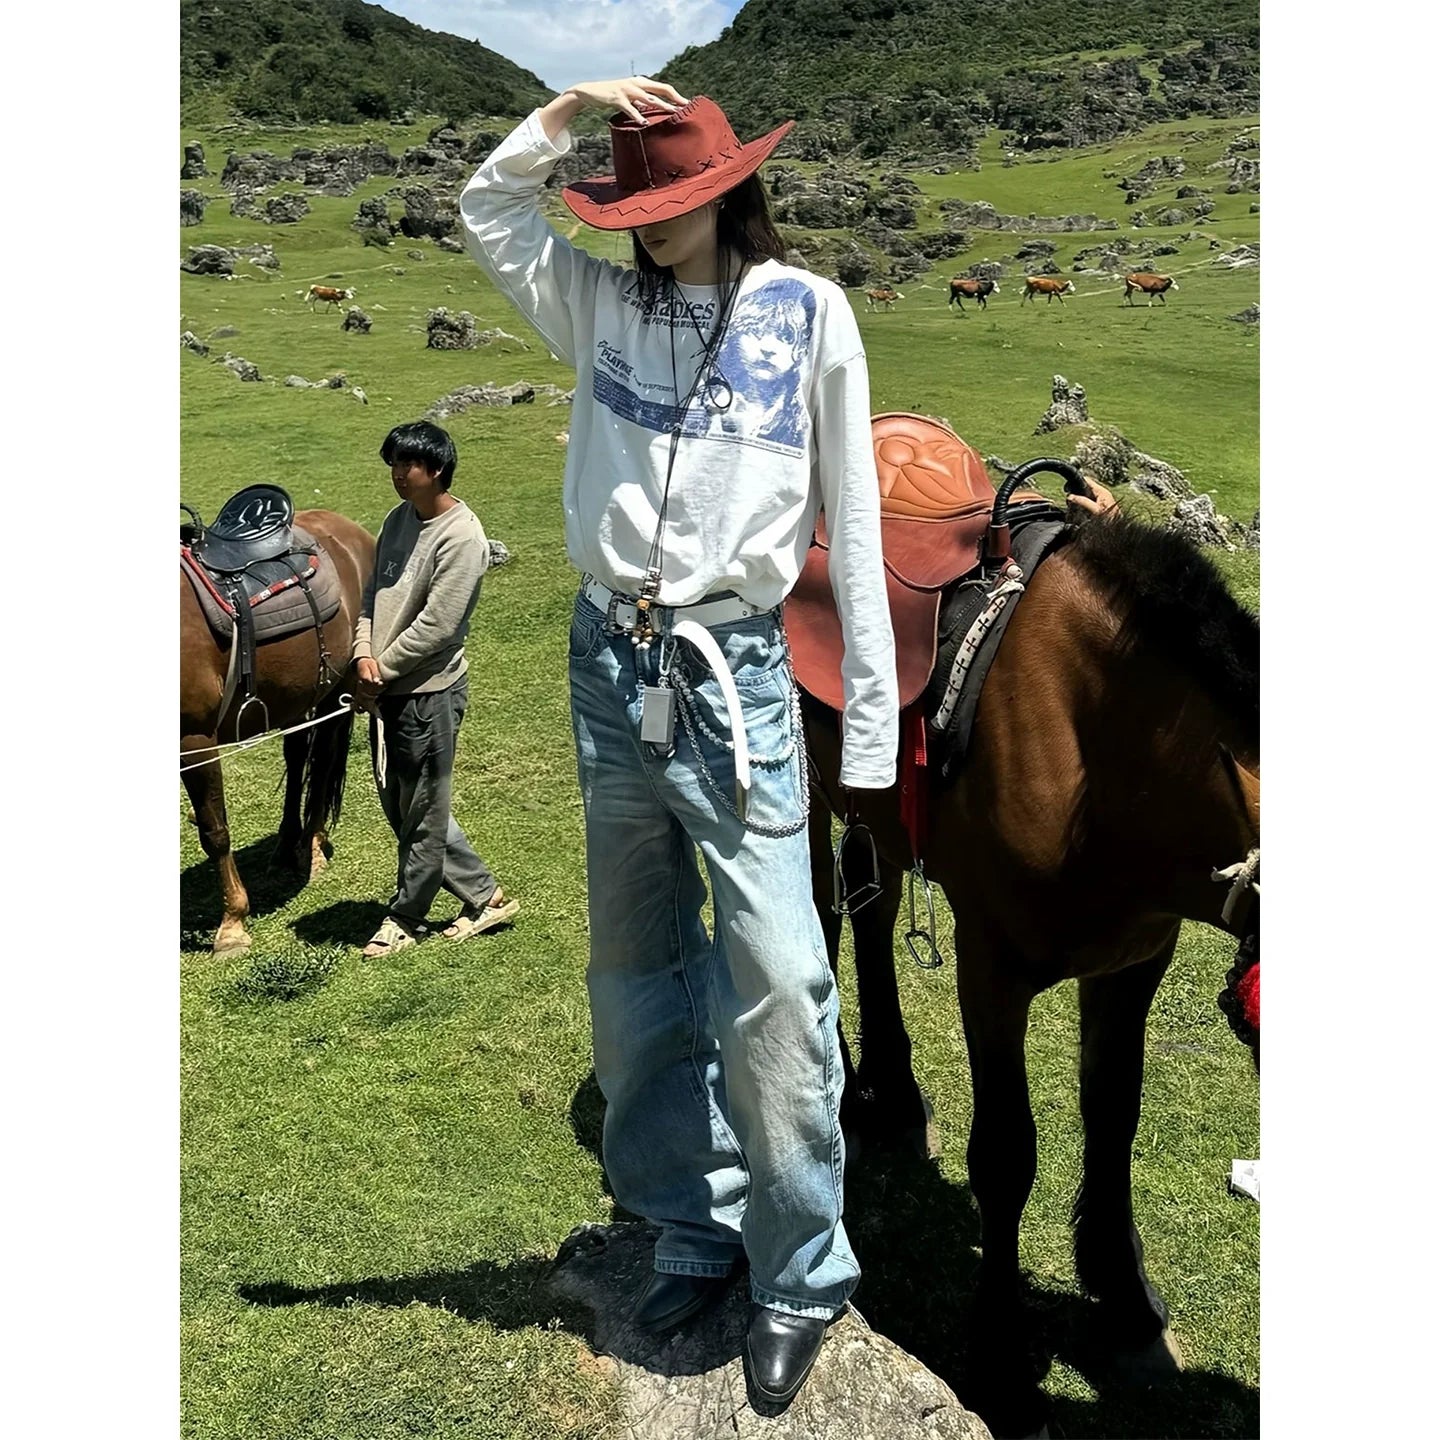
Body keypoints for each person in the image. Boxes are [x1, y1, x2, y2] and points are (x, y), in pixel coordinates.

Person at [459, 79, 899, 1409]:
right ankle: (692, 1224)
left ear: (723, 190)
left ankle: (802, 1268)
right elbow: (488, 205)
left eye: (670, 205)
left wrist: (867, 736)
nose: (648, 229)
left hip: (738, 671)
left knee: (775, 972)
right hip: (609, 660)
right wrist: (565, 108)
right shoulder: (592, 297)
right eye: (630, 207)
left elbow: (858, 523)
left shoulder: (809, 311)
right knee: (634, 966)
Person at [352, 420, 519, 958]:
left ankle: (405, 915)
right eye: (393, 464)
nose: (398, 475)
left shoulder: (462, 536)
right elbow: (372, 595)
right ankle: (486, 897)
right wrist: (361, 652)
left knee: (422, 812)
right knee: (405, 807)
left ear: (438, 469)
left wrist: (383, 667)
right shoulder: (397, 520)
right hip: (385, 684)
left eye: (409, 464)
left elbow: (439, 625)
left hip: (428, 690)